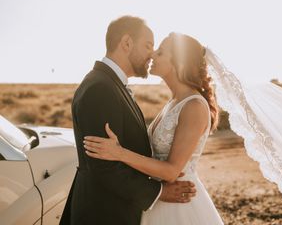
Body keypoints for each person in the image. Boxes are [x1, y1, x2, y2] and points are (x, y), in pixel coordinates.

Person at [60, 17, 197, 225]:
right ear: (126, 43)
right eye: (148, 45)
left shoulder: (110, 84)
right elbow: (104, 167)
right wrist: (159, 192)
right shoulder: (100, 89)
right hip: (103, 214)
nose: (151, 54)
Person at [84, 32, 225, 224]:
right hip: (160, 199)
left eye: (160, 52)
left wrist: (119, 153)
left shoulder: (194, 106)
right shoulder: (174, 102)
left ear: (179, 62)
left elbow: (171, 172)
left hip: (180, 203)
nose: (152, 55)